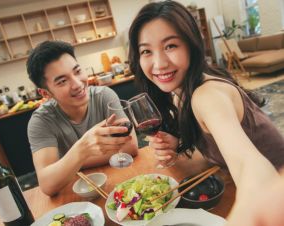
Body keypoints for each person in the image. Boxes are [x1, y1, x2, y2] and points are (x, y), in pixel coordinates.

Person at [128, 0, 284, 224]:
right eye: (146, 51)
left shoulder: (207, 96)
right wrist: (177, 146)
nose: (159, 63)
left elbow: (248, 164)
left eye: (170, 46)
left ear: (191, 44)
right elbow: (215, 153)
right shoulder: (180, 93)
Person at [27, 41, 138, 196]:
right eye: (62, 81)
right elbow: (47, 184)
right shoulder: (41, 122)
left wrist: (71, 163)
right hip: (76, 194)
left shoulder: (104, 96)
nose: (78, 84)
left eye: (77, 71)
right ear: (46, 93)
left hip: (117, 184)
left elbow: (130, 147)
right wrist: (82, 149)